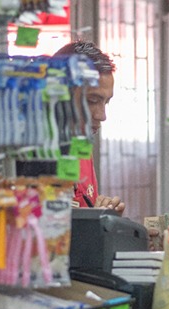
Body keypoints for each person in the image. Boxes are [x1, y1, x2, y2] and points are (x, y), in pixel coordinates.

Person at [53, 40, 125, 214]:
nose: (102, 115)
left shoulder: (81, 144)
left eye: (106, 102)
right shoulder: (29, 154)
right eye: (92, 101)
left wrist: (102, 216)